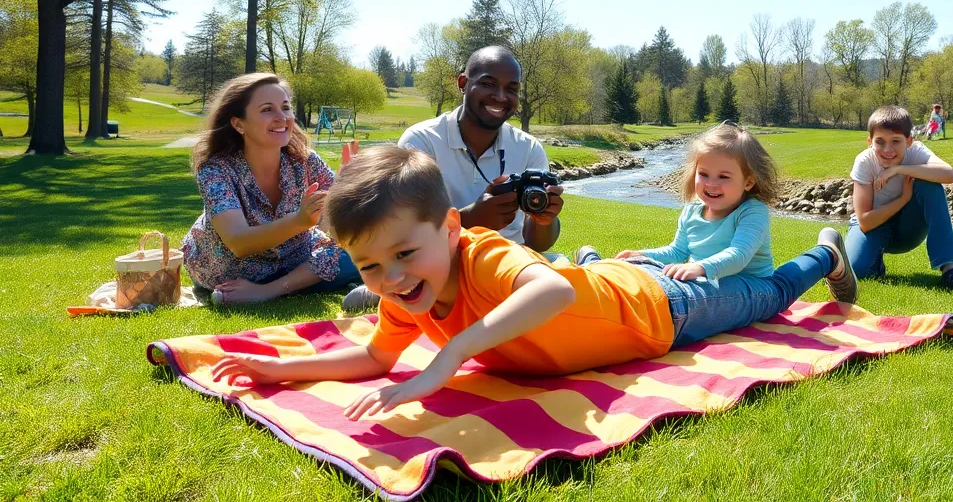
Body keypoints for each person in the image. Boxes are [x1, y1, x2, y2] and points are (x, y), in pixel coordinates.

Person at [209, 145, 858, 418]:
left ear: (452, 229)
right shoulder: (410, 289)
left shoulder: (482, 255)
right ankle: (595, 255)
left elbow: (552, 291)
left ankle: (825, 257)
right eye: (371, 265)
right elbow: (379, 356)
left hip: (665, 307)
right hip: (619, 280)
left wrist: (448, 360)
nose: (389, 279)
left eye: (404, 253)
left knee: (766, 296)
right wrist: (281, 372)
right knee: (591, 269)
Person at [342, 46, 564, 312]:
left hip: (507, 261)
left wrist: (544, 219)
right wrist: (471, 220)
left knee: (562, 273)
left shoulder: (528, 148)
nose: (501, 97)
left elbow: (537, 244)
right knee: (355, 300)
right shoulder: (421, 142)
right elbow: (402, 229)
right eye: (488, 84)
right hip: (437, 265)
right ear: (462, 84)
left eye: (512, 89)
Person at [182, 73, 360, 305]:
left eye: (285, 108)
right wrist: (299, 221)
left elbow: (341, 222)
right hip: (232, 268)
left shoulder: (305, 161)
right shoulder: (216, 170)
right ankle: (298, 283)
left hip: (296, 258)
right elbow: (238, 242)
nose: (282, 117)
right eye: (267, 109)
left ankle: (269, 290)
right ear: (238, 124)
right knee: (351, 259)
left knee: (360, 250)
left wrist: (351, 188)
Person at [575, 122, 778, 284]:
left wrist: (699, 268)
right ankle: (600, 276)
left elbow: (739, 255)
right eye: (704, 174)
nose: (711, 184)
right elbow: (677, 252)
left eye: (724, 177)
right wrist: (641, 255)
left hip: (751, 288)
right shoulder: (693, 209)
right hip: (706, 281)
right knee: (653, 271)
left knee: (674, 287)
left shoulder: (751, 211)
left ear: (748, 182)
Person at [843, 105, 953, 296]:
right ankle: (874, 262)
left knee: (931, 185)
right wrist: (904, 198)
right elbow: (865, 221)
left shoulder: (915, 152)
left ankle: (951, 270)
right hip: (873, 226)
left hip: (907, 229)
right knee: (857, 271)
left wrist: (899, 170)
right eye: (880, 142)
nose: (887, 149)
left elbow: (949, 174)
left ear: (909, 141)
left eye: (896, 141)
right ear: (869, 142)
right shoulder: (865, 161)